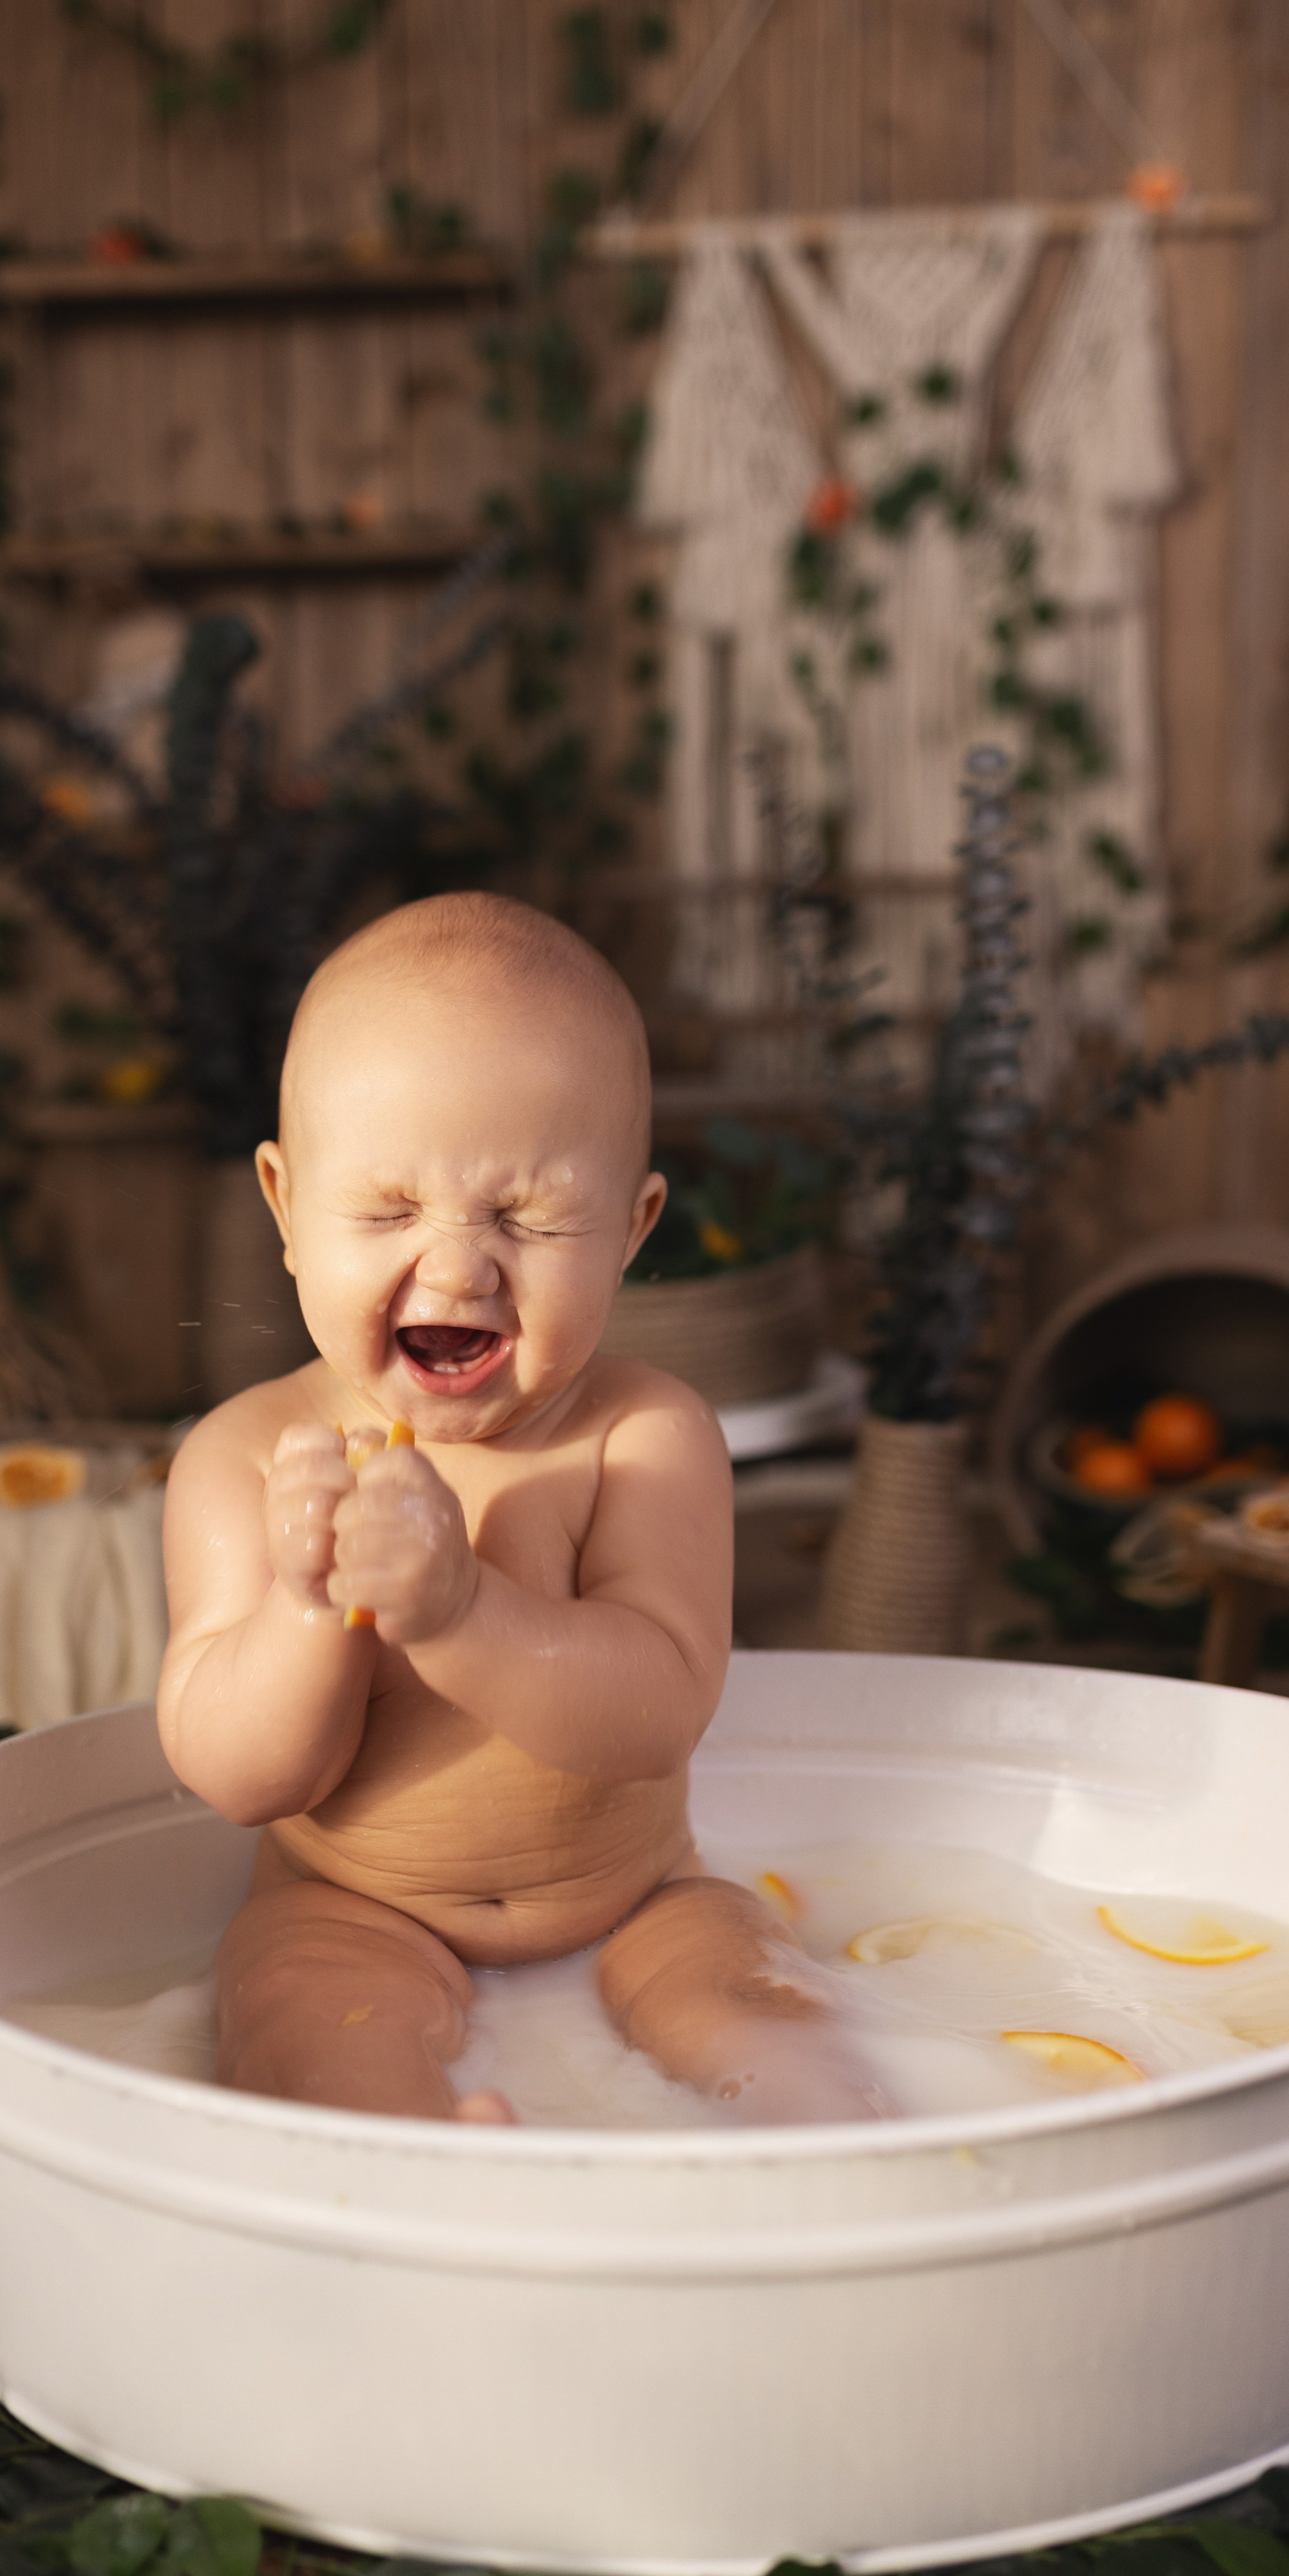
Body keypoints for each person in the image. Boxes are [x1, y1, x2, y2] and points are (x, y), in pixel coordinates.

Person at [158, 893, 881, 2126]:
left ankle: (829, 2168)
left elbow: (655, 1709)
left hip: (646, 1900)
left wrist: (456, 1611)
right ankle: (429, 2169)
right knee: (305, 2028)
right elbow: (240, 1777)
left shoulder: (642, 1439)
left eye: (530, 1219)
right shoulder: (246, 1457)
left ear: (629, 1230)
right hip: (351, 1910)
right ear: (285, 1209)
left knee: (770, 2022)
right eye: (388, 1211)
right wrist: (305, 1604)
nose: (455, 1267)